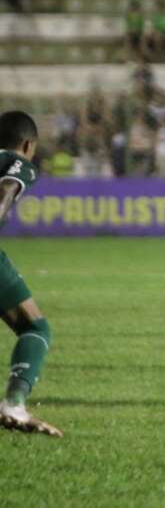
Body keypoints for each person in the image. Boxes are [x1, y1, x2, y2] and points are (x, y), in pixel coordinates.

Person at [0, 111, 62, 437]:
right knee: (35, 327)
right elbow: (9, 184)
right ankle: (14, 403)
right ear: (28, 144)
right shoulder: (18, 162)